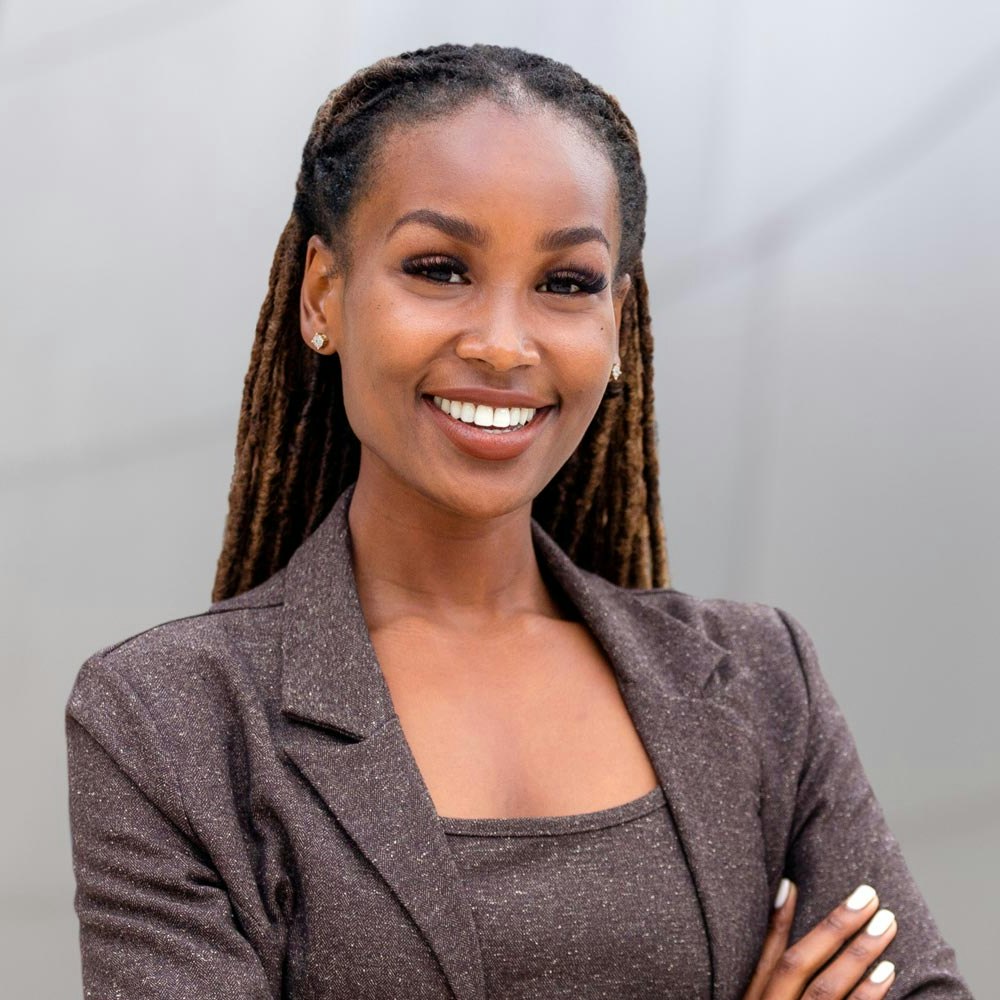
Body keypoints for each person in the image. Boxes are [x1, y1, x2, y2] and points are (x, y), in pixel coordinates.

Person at [65, 43, 974, 999]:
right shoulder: (168, 720)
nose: (503, 343)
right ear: (324, 295)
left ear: (614, 325)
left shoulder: (758, 682)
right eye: (438, 268)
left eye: (566, 283)